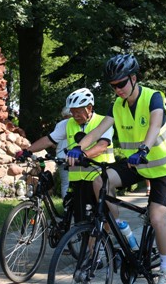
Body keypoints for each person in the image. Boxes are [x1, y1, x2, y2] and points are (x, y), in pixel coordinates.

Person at [66, 54, 166, 284]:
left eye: (121, 84)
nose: (118, 89)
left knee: (156, 217)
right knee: (101, 180)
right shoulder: (117, 106)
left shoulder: (153, 97)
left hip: (163, 166)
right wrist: (79, 148)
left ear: (133, 78)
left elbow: (154, 124)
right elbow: (99, 130)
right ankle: (118, 225)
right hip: (137, 165)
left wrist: (143, 149)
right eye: (113, 86)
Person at [18, 88, 114, 223]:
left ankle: (109, 239)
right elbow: (48, 140)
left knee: (104, 218)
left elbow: (102, 146)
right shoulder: (67, 124)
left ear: (89, 108)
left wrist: (83, 155)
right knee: (81, 221)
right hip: (77, 181)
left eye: (78, 111)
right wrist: (28, 150)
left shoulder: (103, 122)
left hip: (99, 178)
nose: (74, 114)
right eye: (72, 111)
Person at [55, 106, 72, 199]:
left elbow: (54, 141)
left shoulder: (59, 124)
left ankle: (66, 207)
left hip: (60, 157)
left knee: (65, 184)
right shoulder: (75, 124)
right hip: (73, 157)